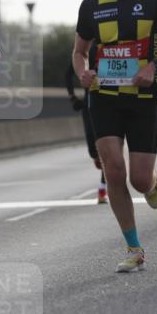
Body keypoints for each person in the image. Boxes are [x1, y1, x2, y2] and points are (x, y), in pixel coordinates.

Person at [73, 0, 157, 273]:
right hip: (103, 98)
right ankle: (134, 247)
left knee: (139, 179)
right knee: (113, 169)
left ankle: (153, 181)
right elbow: (78, 51)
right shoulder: (90, 5)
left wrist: (154, 65)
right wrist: (83, 72)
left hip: (142, 98)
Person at [65, 53, 107, 203]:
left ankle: (103, 189)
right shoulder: (84, 52)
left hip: (109, 104)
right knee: (94, 153)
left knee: (107, 148)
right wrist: (72, 97)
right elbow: (68, 75)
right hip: (89, 104)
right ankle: (102, 165)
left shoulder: (110, 47)